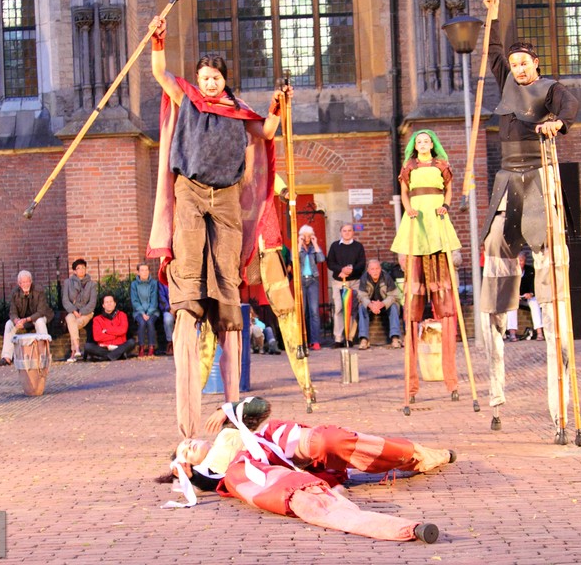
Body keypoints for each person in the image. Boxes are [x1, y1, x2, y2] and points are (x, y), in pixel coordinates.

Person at [146, 15, 290, 438]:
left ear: (224, 81)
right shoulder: (187, 97)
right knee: (190, 275)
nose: (209, 83)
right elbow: (159, 73)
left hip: (226, 198)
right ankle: (190, 298)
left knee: (226, 282)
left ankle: (230, 409)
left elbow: (266, 130)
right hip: (190, 191)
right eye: (204, 77)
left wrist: (279, 106)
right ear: (197, 79)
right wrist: (159, 40)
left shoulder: (236, 111)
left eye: (215, 78)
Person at [480, 0, 580, 442]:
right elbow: (495, 49)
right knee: (496, 288)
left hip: (540, 184)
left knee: (551, 284)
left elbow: (568, 107)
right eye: (515, 63)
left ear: (536, 66)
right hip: (508, 186)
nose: (518, 68)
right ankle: (497, 390)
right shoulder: (504, 82)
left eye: (525, 63)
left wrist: (557, 123)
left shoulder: (550, 89)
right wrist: (493, 13)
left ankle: (559, 407)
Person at [158, 397, 452, 543]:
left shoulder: (231, 429)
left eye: (188, 440)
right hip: (267, 472)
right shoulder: (217, 472)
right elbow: (212, 484)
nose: (190, 444)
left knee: (331, 440)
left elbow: (262, 409)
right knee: (300, 497)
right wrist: (191, 475)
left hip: (276, 442)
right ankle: (402, 529)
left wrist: (229, 407)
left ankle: (424, 456)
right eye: (185, 451)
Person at [390, 129, 462, 402]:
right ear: (414, 145)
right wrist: (407, 209)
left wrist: (445, 204)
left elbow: (450, 188)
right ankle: (411, 386)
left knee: (445, 307)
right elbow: (404, 192)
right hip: (417, 225)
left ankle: (451, 380)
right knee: (412, 309)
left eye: (426, 141)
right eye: (418, 141)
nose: (422, 144)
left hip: (436, 224)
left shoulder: (441, 165)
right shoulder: (408, 166)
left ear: (432, 144)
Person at [0, 270, 53, 367]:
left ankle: (44, 354)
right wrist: (16, 320)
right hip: (23, 319)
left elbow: (41, 311)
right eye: (23, 282)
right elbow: (12, 312)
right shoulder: (15, 293)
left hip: (38, 317)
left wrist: (26, 319)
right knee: (9, 324)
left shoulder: (39, 291)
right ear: (19, 284)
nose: (25, 284)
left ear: (31, 281)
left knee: (39, 322)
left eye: (27, 281)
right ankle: (6, 357)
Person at [326, 223, 366, 347]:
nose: (347, 233)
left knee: (352, 309)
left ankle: (349, 337)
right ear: (341, 232)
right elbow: (330, 263)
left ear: (353, 232)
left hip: (354, 282)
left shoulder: (358, 246)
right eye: (344, 231)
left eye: (349, 230)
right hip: (339, 281)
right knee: (338, 308)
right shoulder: (334, 246)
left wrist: (351, 270)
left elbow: (362, 263)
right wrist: (341, 270)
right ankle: (338, 338)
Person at [357, 259, 403, 350]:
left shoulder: (387, 277)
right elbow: (361, 296)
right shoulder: (364, 278)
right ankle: (364, 339)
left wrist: (382, 304)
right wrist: (371, 305)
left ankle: (395, 338)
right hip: (371, 305)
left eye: (377, 269)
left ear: (380, 269)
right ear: (368, 271)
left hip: (385, 304)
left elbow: (394, 295)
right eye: (372, 269)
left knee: (394, 306)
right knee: (362, 307)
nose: (375, 271)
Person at [82, 294, 136, 361]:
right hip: (104, 347)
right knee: (88, 346)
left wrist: (107, 331)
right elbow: (97, 337)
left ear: (115, 304)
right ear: (103, 305)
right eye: (106, 302)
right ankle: (118, 355)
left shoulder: (122, 315)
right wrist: (116, 336)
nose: (109, 304)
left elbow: (123, 330)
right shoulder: (97, 319)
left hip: (119, 346)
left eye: (111, 302)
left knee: (131, 342)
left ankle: (107, 357)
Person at [62, 258, 97, 362]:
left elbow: (92, 302)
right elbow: (65, 300)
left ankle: (74, 352)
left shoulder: (91, 284)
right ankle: (77, 349)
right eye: (78, 268)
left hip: (86, 312)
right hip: (73, 311)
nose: (81, 270)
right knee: (69, 318)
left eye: (83, 268)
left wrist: (82, 312)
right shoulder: (68, 283)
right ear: (74, 271)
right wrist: (74, 311)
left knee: (72, 325)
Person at [297, 225, 325, 350]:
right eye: (305, 236)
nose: (307, 238)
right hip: (301, 281)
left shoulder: (314, 248)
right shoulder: (298, 248)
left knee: (314, 311)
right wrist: (298, 244)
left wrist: (316, 243)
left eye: (309, 236)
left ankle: (315, 340)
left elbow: (321, 259)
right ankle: (304, 340)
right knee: (303, 311)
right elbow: (294, 260)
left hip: (313, 280)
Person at [506, 251, 543, 341]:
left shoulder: (530, 270)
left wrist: (531, 293)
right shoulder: (511, 271)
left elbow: (534, 284)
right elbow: (507, 287)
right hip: (515, 296)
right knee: (511, 307)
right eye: (518, 261)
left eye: (521, 261)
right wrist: (515, 295)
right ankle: (512, 334)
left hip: (528, 296)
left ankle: (539, 332)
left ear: (525, 261)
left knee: (534, 303)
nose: (520, 263)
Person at [130, 263, 161, 358]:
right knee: (142, 323)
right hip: (139, 312)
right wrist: (142, 313)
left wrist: (148, 313)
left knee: (150, 323)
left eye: (146, 270)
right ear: (138, 272)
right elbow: (134, 300)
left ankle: (151, 347)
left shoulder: (154, 283)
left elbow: (154, 300)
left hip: (152, 311)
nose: (144, 272)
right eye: (142, 270)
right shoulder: (134, 284)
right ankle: (141, 347)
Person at [159, 281, 175, 356]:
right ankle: (170, 342)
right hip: (168, 309)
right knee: (168, 319)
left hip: (181, 308)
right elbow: (161, 298)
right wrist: (169, 309)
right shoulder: (162, 282)